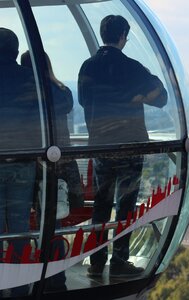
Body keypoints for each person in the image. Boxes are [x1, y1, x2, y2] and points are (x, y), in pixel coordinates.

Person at [78, 15, 167, 278]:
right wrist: (137, 97)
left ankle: (96, 262)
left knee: (101, 206)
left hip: (100, 145)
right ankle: (118, 261)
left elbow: (84, 101)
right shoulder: (132, 68)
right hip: (130, 144)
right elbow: (161, 97)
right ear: (122, 37)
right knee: (126, 204)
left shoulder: (87, 67)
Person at [21, 51, 84, 291]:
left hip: (32, 163)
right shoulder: (62, 92)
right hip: (59, 164)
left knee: (23, 223)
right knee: (53, 223)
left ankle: (27, 274)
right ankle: (56, 277)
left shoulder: (24, 95)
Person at [0, 28, 40, 297]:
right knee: (18, 228)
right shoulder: (30, 78)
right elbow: (61, 103)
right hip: (23, 161)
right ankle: (17, 286)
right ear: (16, 52)